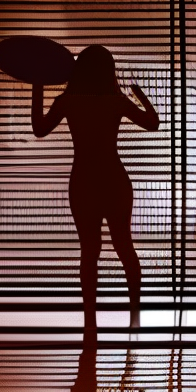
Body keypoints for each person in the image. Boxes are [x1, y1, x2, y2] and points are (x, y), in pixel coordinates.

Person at [31, 45, 159, 332]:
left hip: (84, 182)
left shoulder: (68, 101)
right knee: (124, 246)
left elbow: (39, 129)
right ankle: (135, 313)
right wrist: (140, 96)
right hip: (114, 180)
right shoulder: (115, 100)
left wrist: (37, 86)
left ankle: (90, 320)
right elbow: (153, 123)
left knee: (89, 251)